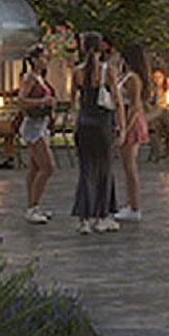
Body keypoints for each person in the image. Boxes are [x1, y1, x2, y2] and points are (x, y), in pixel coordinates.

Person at [69, 32, 120, 234]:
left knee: (86, 170)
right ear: (101, 48)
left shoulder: (77, 72)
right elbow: (116, 101)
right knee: (104, 169)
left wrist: (73, 121)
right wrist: (121, 126)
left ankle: (84, 218)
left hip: (84, 124)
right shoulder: (107, 71)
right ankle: (102, 215)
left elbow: (73, 101)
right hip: (102, 124)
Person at [17, 47, 56, 223]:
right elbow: (21, 100)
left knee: (35, 167)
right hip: (33, 126)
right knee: (47, 167)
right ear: (34, 60)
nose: (45, 60)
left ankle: (33, 205)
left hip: (41, 125)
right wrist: (41, 101)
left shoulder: (41, 78)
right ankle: (32, 206)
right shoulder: (30, 78)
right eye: (42, 57)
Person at [113, 40, 150, 223]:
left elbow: (135, 106)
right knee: (126, 166)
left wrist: (125, 128)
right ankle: (130, 203)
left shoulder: (133, 78)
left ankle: (134, 206)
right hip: (125, 118)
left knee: (129, 166)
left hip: (130, 120)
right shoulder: (126, 76)